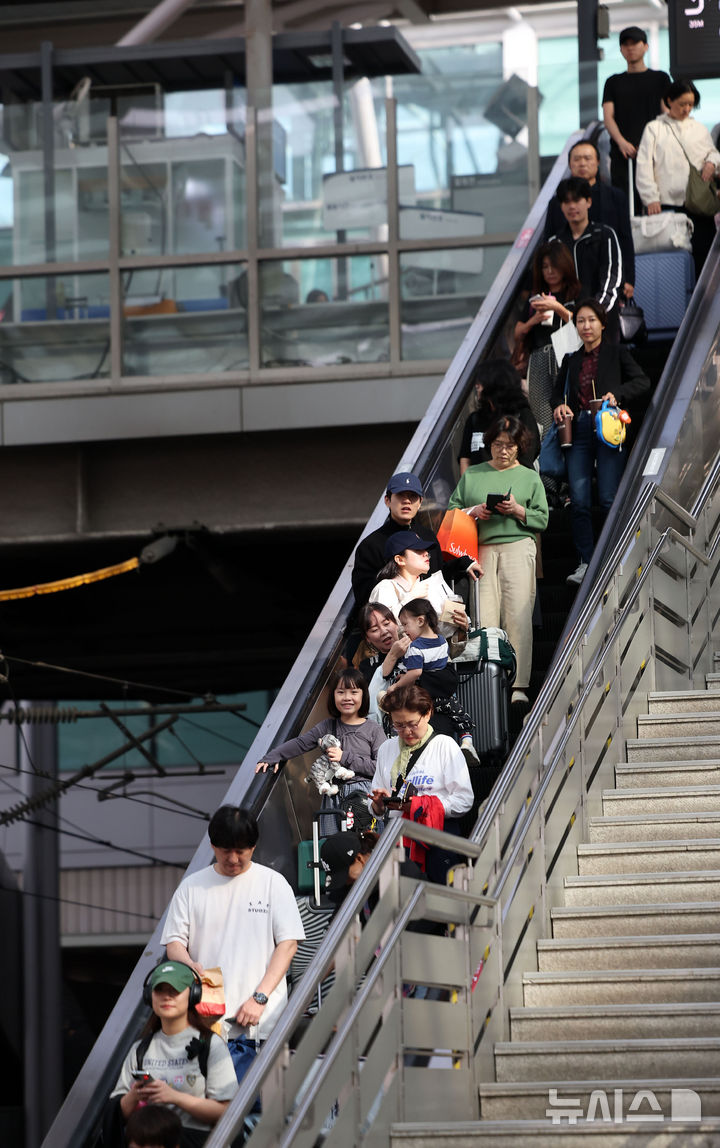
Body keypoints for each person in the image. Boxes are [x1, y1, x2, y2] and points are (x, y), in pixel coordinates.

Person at [161, 807, 305, 1087]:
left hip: (263, 1023)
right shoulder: (192, 887)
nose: (234, 859)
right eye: (226, 850)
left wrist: (259, 998)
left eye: (242, 850)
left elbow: (288, 945)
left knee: (260, 1110)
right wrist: (188, 964)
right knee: (214, 1111)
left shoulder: (273, 884)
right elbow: (174, 943)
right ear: (213, 846)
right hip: (208, 1022)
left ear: (253, 846)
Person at [448, 415, 549, 707]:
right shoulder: (473, 474)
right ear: (488, 444)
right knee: (486, 619)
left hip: (519, 545)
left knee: (518, 615)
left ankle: (519, 685)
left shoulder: (529, 476)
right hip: (481, 550)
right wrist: (475, 510)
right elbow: (453, 512)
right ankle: (490, 678)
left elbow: (542, 518)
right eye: (497, 444)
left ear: (520, 447)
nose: (503, 450)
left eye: (510, 445)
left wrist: (517, 510)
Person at [551, 299, 650, 586]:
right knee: (579, 500)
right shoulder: (571, 359)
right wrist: (559, 406)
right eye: (580, 321)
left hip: (608, 426)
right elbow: (556, 394)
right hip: (579, 428)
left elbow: (642, 381)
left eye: (591, 320)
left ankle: (614, 555)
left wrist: (616, 394)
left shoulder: (616, 352)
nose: (586, 326)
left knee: (608, 497)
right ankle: (586, 561)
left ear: (603, 324)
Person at [110, 960, 237, 1148]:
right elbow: (116, 1113)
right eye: (159, 990)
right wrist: (135, 1095)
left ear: (193, 994)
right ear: (149, 995)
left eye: (175, 990)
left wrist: (174, 1097)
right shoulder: (140, 1048)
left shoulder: (211, 1044)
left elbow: (228, 1111)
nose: (166, 997)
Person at [368, 683, 473, 884]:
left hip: (438, 838)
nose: (406, 731)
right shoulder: (386, 749)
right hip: (398, 839)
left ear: (427, 714)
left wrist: (421, 806)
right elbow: (376, 802)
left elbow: (464, 800)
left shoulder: (444, 745)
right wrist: (378, 804)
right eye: (398, 725)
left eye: (412, 724)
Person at [351, 471, 481, 607]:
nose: (407, 500)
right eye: (400, 495)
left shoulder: (428, 536)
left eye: (413, 496)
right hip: (395, 622)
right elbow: (365, 596)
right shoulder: (370, 545)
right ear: (387, 501)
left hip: (430, 618)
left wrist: (463, 563)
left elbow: (438, 574)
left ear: (420, 503)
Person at [636, 78, 720, 279]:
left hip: (698, 205)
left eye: (691, 104)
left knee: (702, 255)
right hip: (666, 204)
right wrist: (651, 198)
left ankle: (700, 304)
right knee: (670, 259)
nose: (687, 109)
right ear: (669, 101)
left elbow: (713, 152)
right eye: (682, 104)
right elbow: (644, 165)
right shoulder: (654, 128)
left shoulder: (699, 129)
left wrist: (711, 162)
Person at [254, 667, 385, 787]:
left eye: (354, 692)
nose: (347, 698)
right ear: (333, 695)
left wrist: (344, 757)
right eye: (341, 692)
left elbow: (382, 768)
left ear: (363, 695)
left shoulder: (374, 729)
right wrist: (272, 757)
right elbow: (300, 744)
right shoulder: (327, 726)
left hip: (365, 800)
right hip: (334, 798)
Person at [356, 601, 464, 740]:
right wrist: (393, 656)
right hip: (393, 730)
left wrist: (415, 678)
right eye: (374, 629)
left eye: (387, 623)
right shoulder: (368, 665)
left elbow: (449, 681)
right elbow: (370, 702)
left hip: (432, 718)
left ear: (397, 624)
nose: (383, 631)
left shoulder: (422, 648)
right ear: (368, 638)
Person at [544, 140, 634, 299]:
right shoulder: (556, 203)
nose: (582, 163)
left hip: (606, 273)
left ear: (598, 162)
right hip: (569, 279)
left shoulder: (615, 197)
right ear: (570, 165)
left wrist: (629, 279)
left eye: (587, 158)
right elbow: (548, 242)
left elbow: (625, 239)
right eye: (577, 159)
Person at [602, 27, 671, 206]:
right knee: (624, 202)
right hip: (622, 154)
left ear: (645, 46)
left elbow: (667, 114)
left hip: (654, 152)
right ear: (621, 50)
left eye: (635, 43)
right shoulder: (613, 82)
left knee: (655, 202)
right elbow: (608, 116)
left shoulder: (660, 78)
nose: (630, 48)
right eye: (625, 44)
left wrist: (652, 144)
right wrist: (622, 143)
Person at [547, 177, 624, 329]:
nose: (572, 206)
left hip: (602, 322)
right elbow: (549, 285)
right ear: (561, 206)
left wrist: (591, 315)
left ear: (588, 202)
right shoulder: (554, 243)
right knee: (544, 354)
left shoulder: (605, 235)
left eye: (576, 200)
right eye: (566, 202)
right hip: (565, 324)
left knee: (602, 353)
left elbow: (612, 281)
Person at [369, 532, 470, 640]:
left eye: (426, 550)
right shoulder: (385, 588)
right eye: (418, 550)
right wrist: (411, 596)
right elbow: (384, 632)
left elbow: (445, 642)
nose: (426, 553)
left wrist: (463, 627)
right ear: (400, 559)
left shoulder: (431, 586)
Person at [458, 359, 540, 474]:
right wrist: (467, 487)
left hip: (511, 488)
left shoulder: (522, 416)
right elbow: (465, 458)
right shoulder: (474, 419)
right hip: (477, 488)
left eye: (481, 381)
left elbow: (526, 460)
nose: (477, 386)